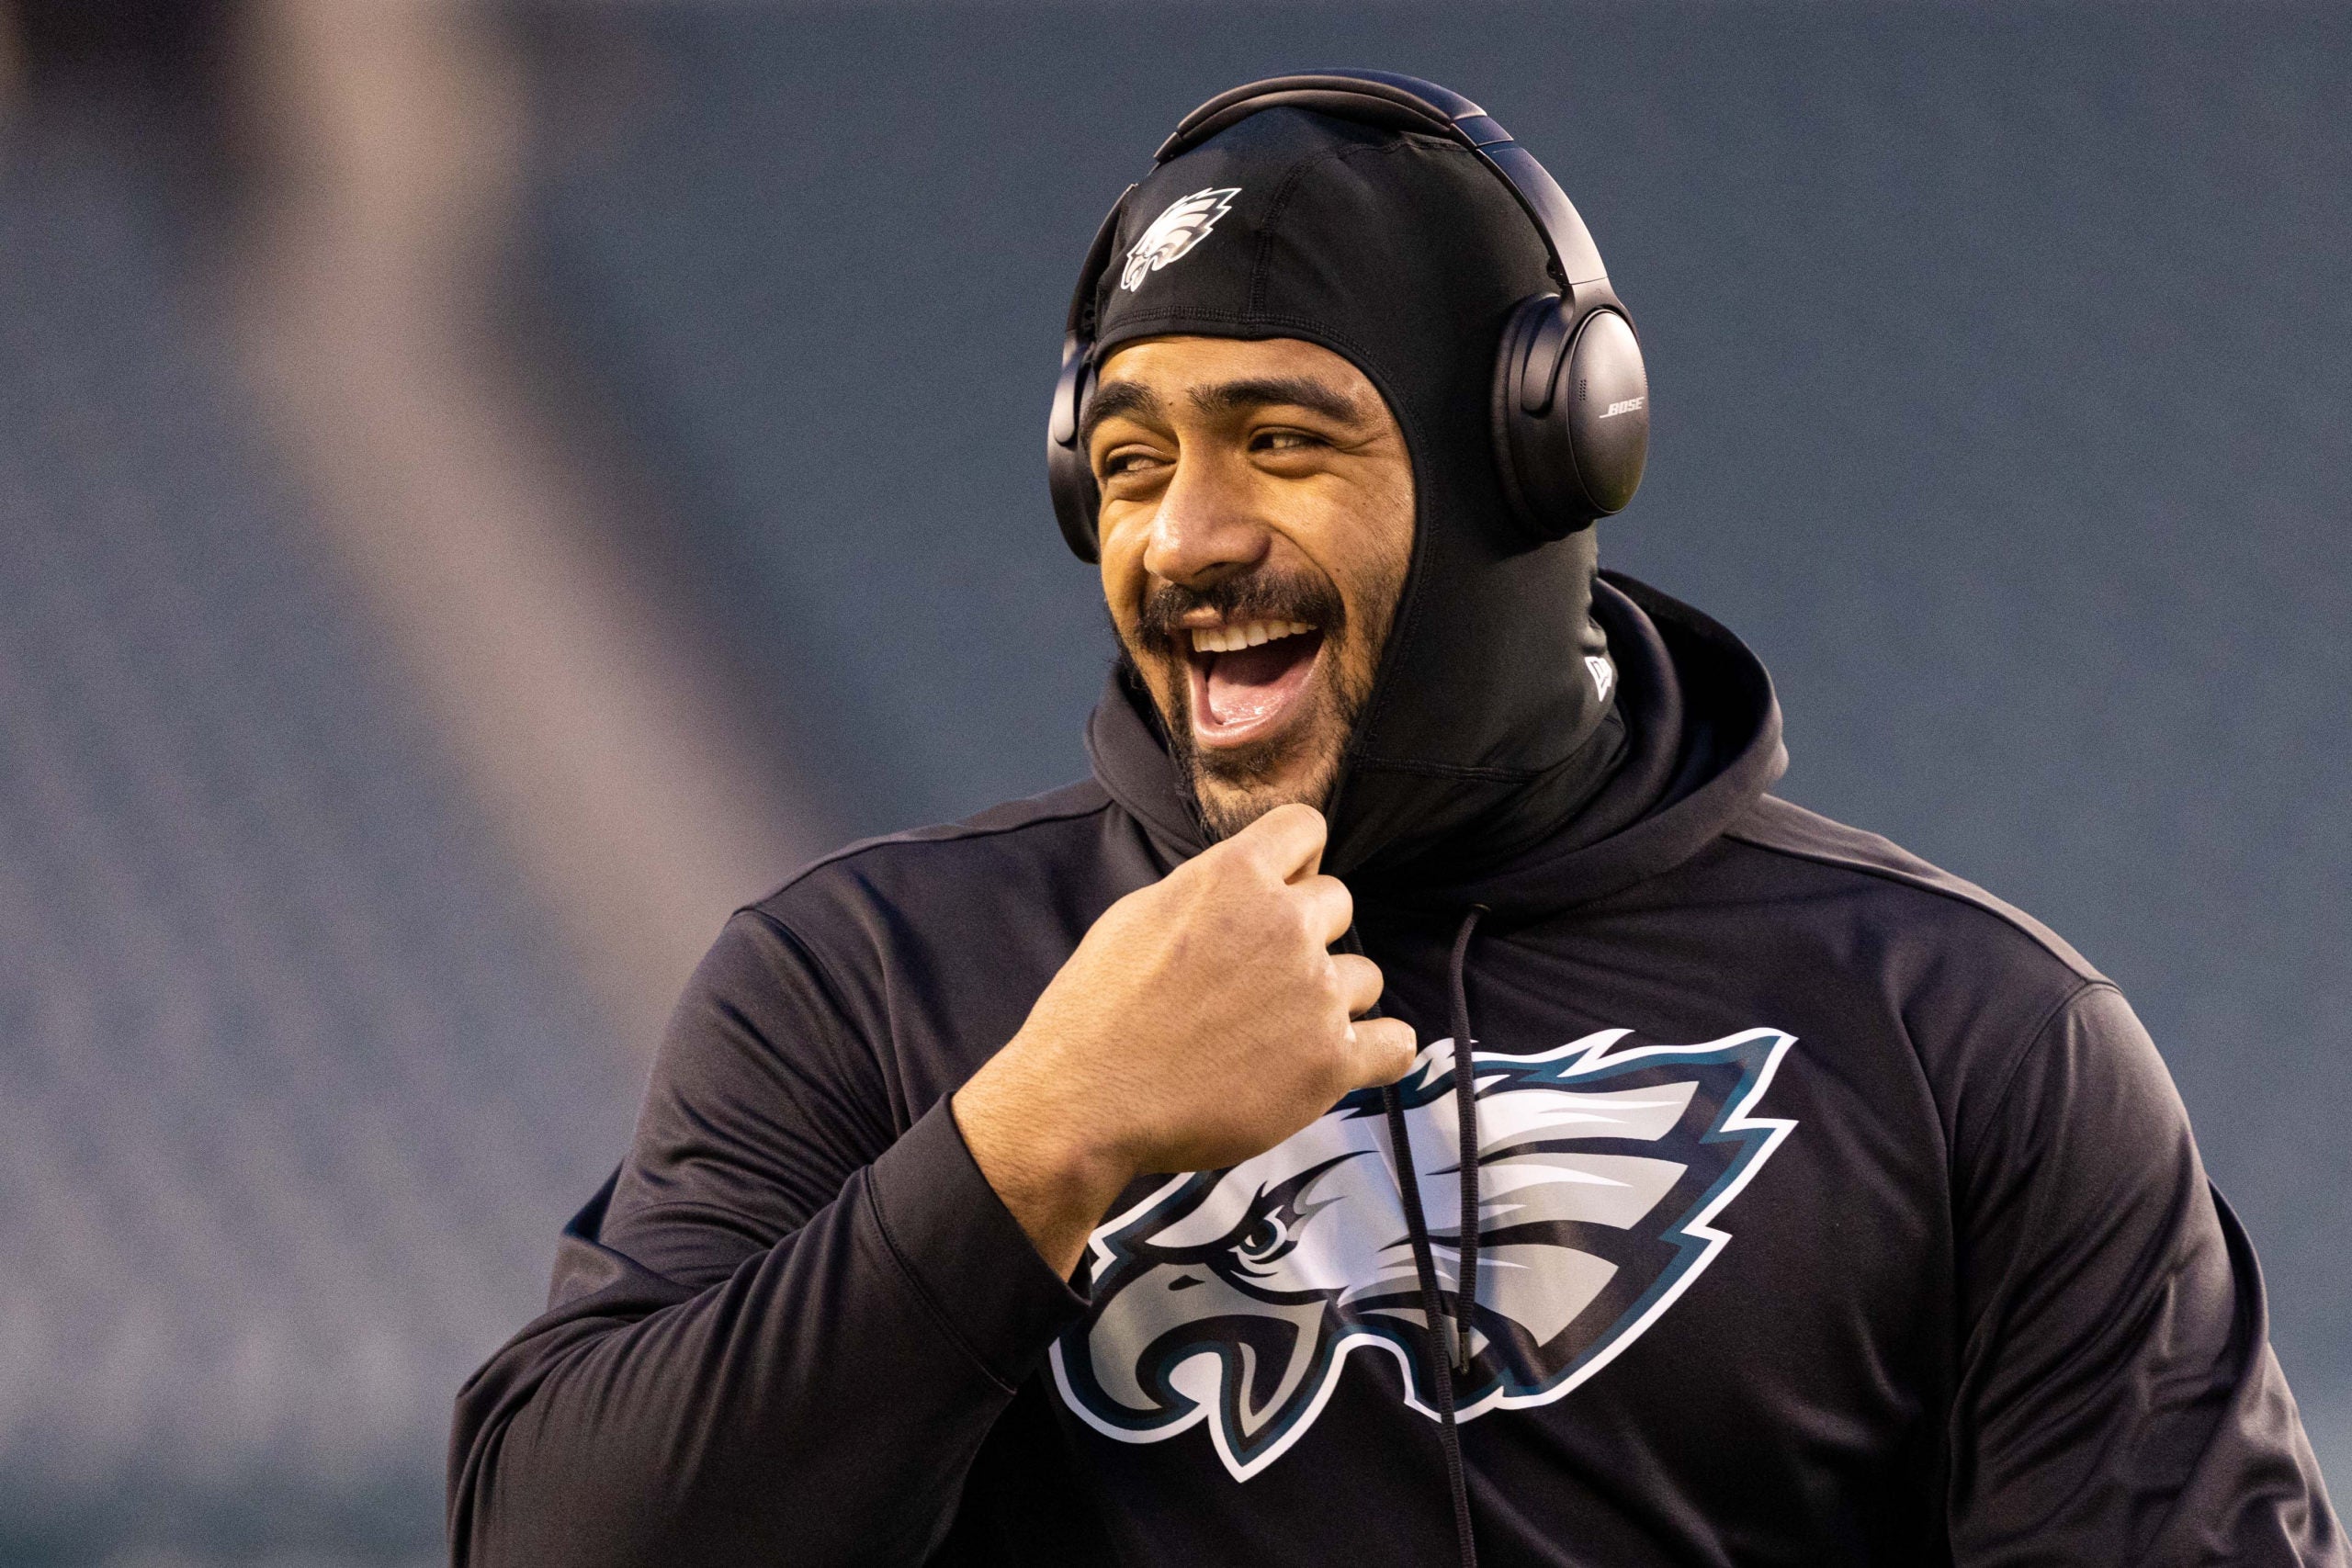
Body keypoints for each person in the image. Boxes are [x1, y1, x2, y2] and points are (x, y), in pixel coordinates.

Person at [447, 73, 2341, 1567]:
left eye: (1282, 442)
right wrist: (1033, 1140)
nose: (1184, 536)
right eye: (1130, 461)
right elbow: (554, 1540)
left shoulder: (1966, 1035)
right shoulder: (864, 982)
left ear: (1535, 456)